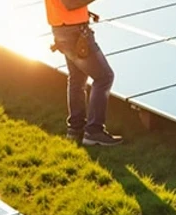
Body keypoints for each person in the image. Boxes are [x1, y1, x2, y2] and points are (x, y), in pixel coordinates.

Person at [46, 0, 122, 146]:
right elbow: (70, 3)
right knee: (104, 77)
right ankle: (94, 131)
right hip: (74, 32)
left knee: (77, 78)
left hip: (64, 30)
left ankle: (75, 128)